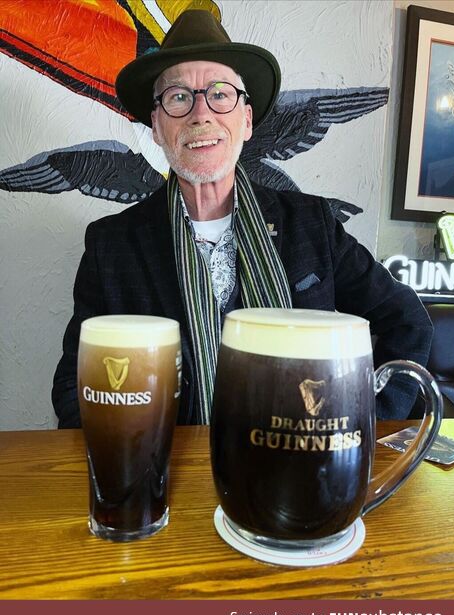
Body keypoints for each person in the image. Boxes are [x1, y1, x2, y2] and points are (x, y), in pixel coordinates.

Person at [52, 9, 432, 428]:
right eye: (178, 96)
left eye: (220, 94)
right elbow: (74, 386)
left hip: (295, 472)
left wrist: (364, 425)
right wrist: (128, 466)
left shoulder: (311, 224)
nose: (201, 115)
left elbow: (407, 320)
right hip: (169, 477)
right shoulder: (112, 245)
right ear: (157, 127)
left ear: (246, 120)